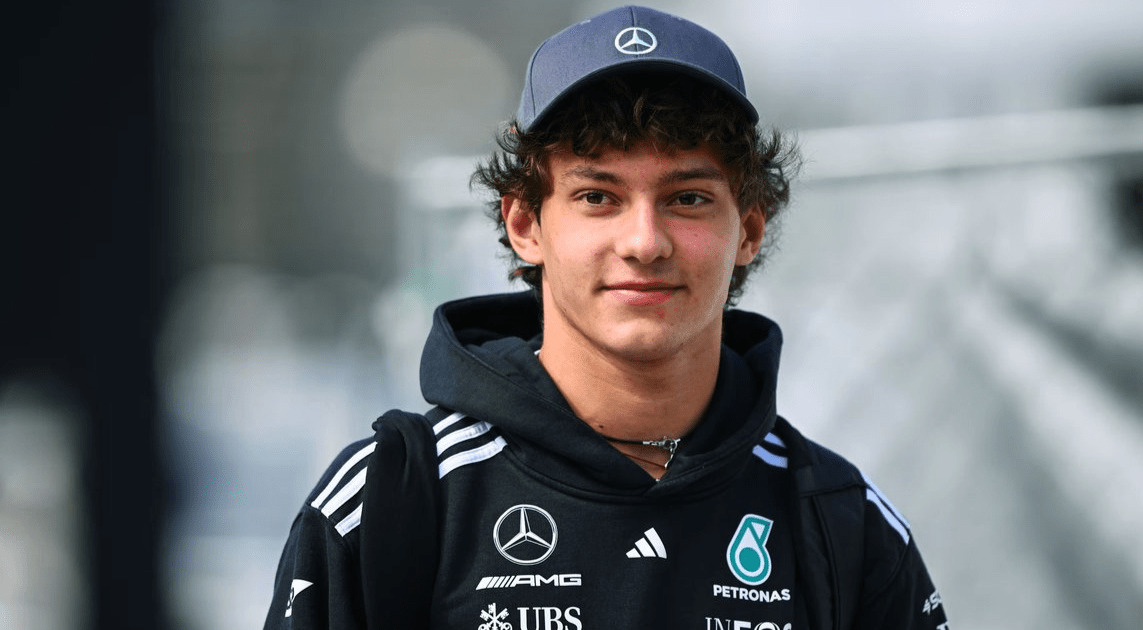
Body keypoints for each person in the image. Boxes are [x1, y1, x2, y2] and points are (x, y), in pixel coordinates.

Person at [264, 5, 949, 630]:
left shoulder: (840, 520)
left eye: (687, 198)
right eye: (598, 196)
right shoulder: (389, 501)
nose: (644, 242)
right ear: (526, 225)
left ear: (748, 230)